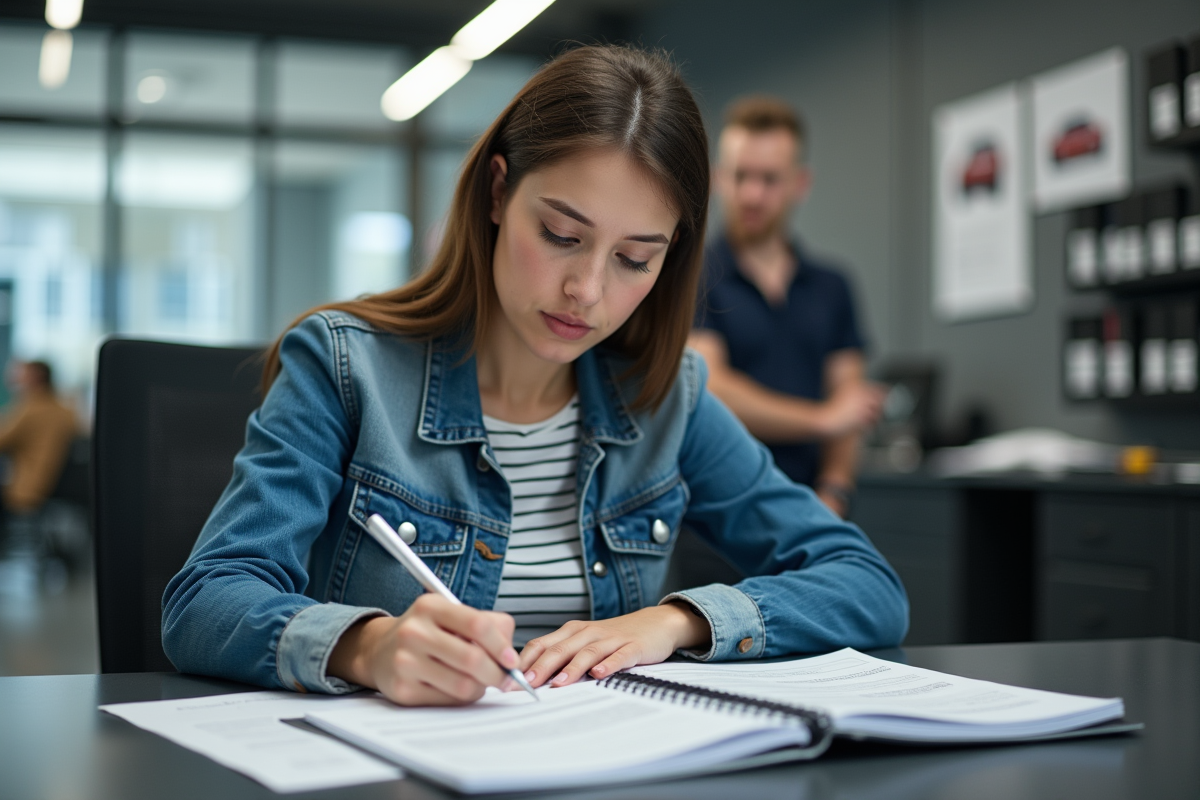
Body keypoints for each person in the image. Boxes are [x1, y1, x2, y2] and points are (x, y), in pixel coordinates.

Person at [163, 45, 907, 708]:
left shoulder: (665, 397)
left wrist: (675, 622)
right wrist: (370, 648)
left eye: (634, 258)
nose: (587, 289)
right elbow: (205, 601)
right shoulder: (344, 367)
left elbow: (866, 584)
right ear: (496, 192)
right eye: (560, 235)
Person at [691, 97, 883, 518]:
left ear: (801, 183)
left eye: (770, 179)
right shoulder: (693, 276)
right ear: (720, 179)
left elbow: (847, 400)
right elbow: (712, 389)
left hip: (813, 511)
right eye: (741, 176)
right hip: (718, 515)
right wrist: (821, 419)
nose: (753, 194)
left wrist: (834, 493)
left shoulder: (834, 287)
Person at [0, 360, 77, 516]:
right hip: (53, 483)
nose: (17, 378)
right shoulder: (64, 409)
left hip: (26, 488)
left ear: (36, 377)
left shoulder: (31, 408)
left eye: (23, 374)